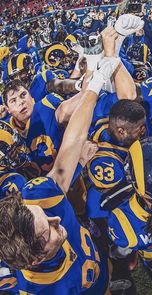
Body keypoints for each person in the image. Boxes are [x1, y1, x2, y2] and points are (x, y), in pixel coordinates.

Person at [0, 55, 121, 295]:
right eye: (48, 230)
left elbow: (71, 141)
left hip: (95, 265)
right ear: (34, 259)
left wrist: (94, 82)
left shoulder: (37, 196)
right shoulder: (34, 289)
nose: (56, 219)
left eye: (23, 95)